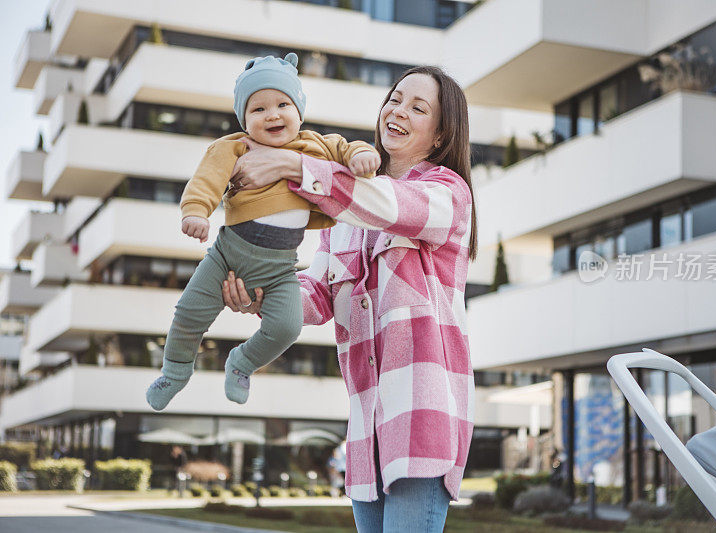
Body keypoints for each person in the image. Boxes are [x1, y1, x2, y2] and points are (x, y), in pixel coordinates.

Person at [222, 66, 477, 533]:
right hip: (366, 431)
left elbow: (392, 206)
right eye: (395, 99)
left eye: (418, 108)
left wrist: (293, 165)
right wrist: (259, 295)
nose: (397, 111)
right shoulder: (343, 216)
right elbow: (315, 297)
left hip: (423, 420)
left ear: (440, 134)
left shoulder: (448, 194)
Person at [145, 53, 380, 411]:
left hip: (280, 268)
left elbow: (349, 150)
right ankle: (175, 371)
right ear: (244, 119)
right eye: (258, 109)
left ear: (299, 110)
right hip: (227, 256)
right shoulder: (235, 146)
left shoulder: (316, 145)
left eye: (283, 104)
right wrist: (196, 212)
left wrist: (364, 155)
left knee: (287, 328)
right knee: (188, 315)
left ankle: (242, 363)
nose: (272, 114)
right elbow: (206, 180)